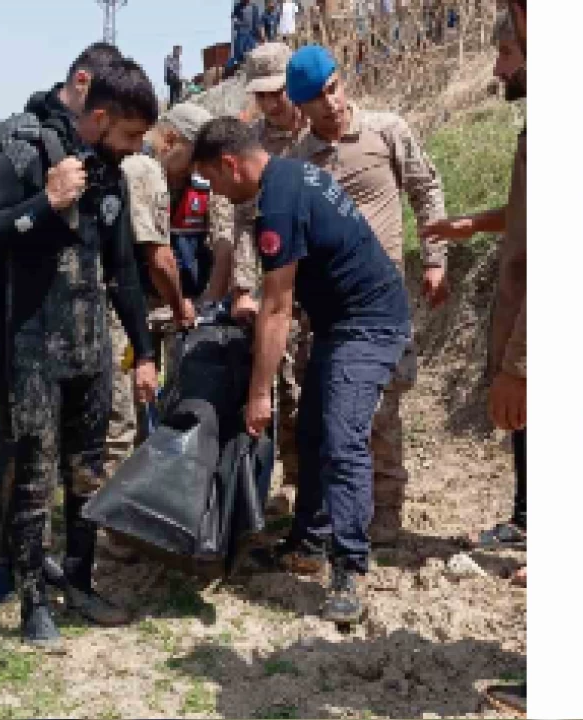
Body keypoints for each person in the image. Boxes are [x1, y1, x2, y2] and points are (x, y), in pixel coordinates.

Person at [0, 53, 161, 650]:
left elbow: (123, 270)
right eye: (126, 135)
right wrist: (43, 204)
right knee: (33, 476)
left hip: (90, 348)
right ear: (98, 115)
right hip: (32, 349)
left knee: (88, 474)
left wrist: (144, 352)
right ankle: (32, 602)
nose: (131, 148)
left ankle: (80, 579)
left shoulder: (110, 172)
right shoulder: (22, 145)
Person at [192, 117, 410, 624]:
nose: (221, 195)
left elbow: (277, 308)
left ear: (230, 164)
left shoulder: (278, 202)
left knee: (342, 438)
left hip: (369, 325)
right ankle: (309, 543)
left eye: (217, 183)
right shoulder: (291, 174)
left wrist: (259, 393)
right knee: (313, 430)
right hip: (341, 322)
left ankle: (349, 568)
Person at [280, 44, 449, 546]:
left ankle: (386, 513)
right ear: (301, 107)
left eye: (334, 88)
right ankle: (335, 512)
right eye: (317, 98)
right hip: (327, 313)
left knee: (382, 409)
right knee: (331, 412)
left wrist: (436, 258)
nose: (331, 103)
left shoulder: (386, 132)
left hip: (383, 306)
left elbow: (426, 188)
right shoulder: (299, 161)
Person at [421, 10, 526, 568]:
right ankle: (526, 520)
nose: (496, 70)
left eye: (507, 55)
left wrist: (518, 364)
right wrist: (471, 225)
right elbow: (524, 212)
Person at [103, 103, 233, 489]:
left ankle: (164, 491)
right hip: (131, 309)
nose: (199, 168)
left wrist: (206, 302)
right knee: (123, 409)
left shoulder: (205, 186)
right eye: (195, 157)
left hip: (186, 309)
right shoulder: (136, 173)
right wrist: (181, 307)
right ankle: (114, 510)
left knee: (180, 403)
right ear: (171, 139)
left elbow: (224, 244)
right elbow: (158, 257)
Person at [229, 41, 311, 522]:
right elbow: (242, 222)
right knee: (280, 391)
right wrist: (243, 286)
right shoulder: (253, 145)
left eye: (277, 93)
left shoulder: (320, 132)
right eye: (261, 96)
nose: (270, 104)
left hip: (321, 286)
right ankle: (290, 488)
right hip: (276, 287)